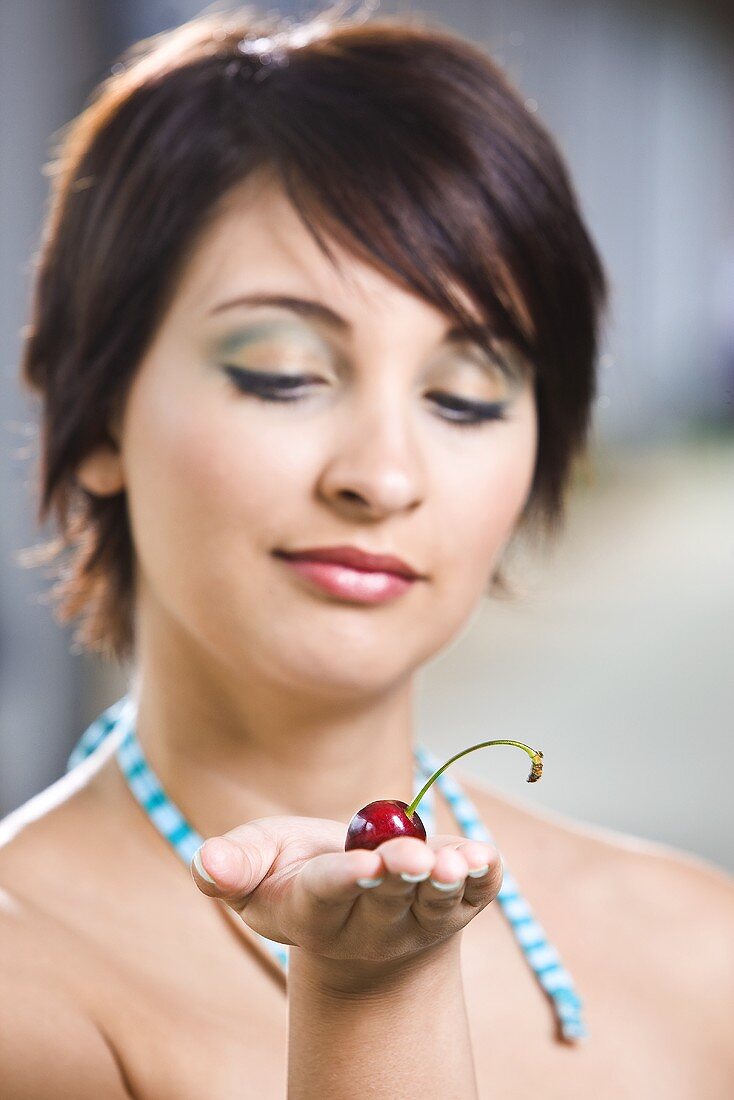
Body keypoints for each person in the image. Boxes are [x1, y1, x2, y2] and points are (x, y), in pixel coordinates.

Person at [1, 6, 732, 1098]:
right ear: (97, 411)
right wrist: (371, 998)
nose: (381, 475)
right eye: (282, 372)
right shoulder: (27, 987)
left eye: (464, 395)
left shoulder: (701, 946)